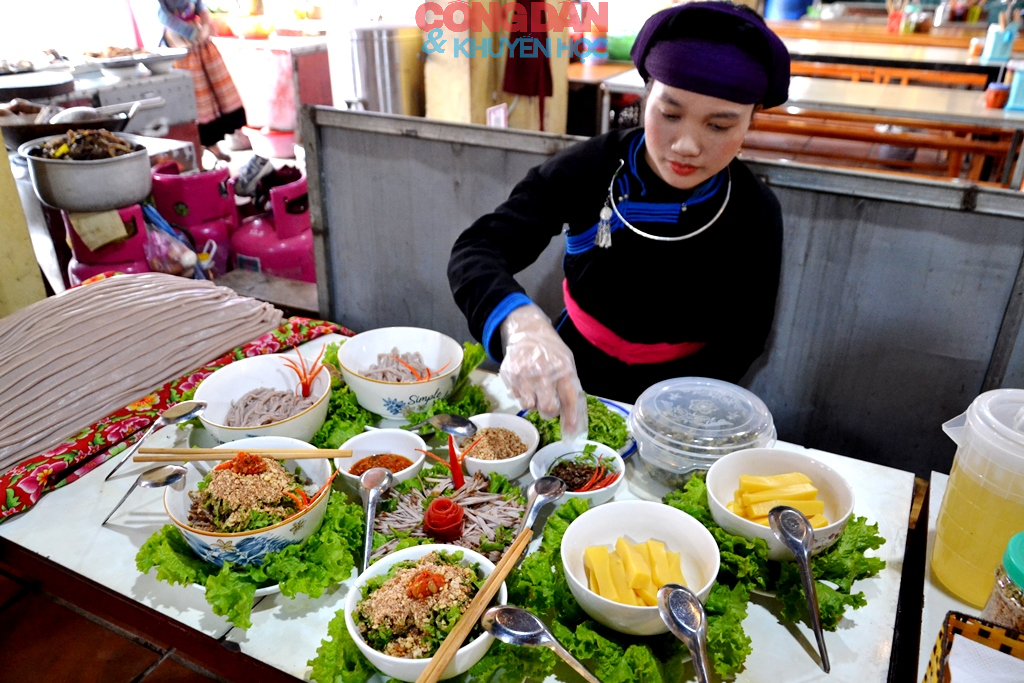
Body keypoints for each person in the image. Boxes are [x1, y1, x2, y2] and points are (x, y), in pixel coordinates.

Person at [447, 2, 789, 439]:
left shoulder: (755, 211)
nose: (686, 145)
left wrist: (680, 416)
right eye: (669, 113)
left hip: (682, 399)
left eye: (719, 126)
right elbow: (478, 249)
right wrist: (522, 327)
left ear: (751, 121)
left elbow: (744, 339)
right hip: (570, 373)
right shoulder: (589, 168)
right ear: (646, 94)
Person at [157, 0, 247, 161]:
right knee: (197, 97)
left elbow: (199, 5)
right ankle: (204, 147)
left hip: (201, 40)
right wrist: (192, 33)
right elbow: (164, 17)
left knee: (215, 90)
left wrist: (205, 24)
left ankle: (215, 145)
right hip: (180, 43)